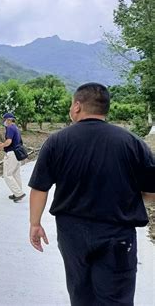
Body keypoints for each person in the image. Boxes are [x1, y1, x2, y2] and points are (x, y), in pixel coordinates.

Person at [28, 82, 155, 306]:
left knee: (81, 294)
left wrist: (35, 224)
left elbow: (40, 187)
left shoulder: (58, 141)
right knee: (116, 299)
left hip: (72, 233)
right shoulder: (132, 143)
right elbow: (152, 193)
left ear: (77, 106)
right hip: (117, 233)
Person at [0, 112, 26, 202]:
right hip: (17, 154)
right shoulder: (15, 127)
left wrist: (1, 145)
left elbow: (9, 141)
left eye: (4, 119)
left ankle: (19, 194)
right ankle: (18, 192)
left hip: (12, 154)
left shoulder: (10, 127)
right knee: (16, 174)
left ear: (8, 120)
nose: (3, 121)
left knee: (7, 175)